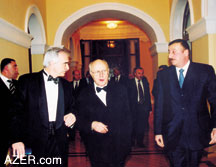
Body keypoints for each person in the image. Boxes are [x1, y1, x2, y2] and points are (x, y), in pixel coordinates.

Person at [154, 39, 216, 167]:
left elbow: (214, 99)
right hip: (172, 132)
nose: (170, 56)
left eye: (174, 52)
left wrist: (215, 126)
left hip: (197, 131)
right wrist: (158, 131)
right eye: (169, 52)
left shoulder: (205, 71)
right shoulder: (163, 76)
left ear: (186, 52)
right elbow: (159, 105)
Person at [10, 47, 76, 167]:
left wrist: (72, 114)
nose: (67, 68)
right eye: (65, 63)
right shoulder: (27, 81)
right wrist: (16, 139)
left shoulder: (66, 85)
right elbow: (15, 113)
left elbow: (72, 107)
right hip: (33, 141)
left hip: (59, 142)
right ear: (52, 62)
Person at [76, 59, 132, 167]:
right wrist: (91, 125)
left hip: (119, 147)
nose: (101, 74)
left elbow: (128, 118)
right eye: (97, 72)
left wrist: (127, 144)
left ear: (108, 72)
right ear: (91, 74)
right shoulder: (83, 94)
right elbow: (79, 119)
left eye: (104, 71)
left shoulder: (121, 90)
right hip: (96, 149)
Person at [0, 58, 19, 166]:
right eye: (14, 66)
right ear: (6, 68)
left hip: (16, 131)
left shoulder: (18, 84)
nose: (17, 69)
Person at [128, 67, 152, 148]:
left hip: (143, 108)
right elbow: (127, 97)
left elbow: (148, 95)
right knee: (133, 125)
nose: (141, 75)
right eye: (139, 73)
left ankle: (140, 142)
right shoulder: (130, 83)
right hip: (133, 108)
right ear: (134, 73)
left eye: (142, 73)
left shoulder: (145, 82)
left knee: (141, 126)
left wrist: (149, 108)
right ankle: (131, 141)